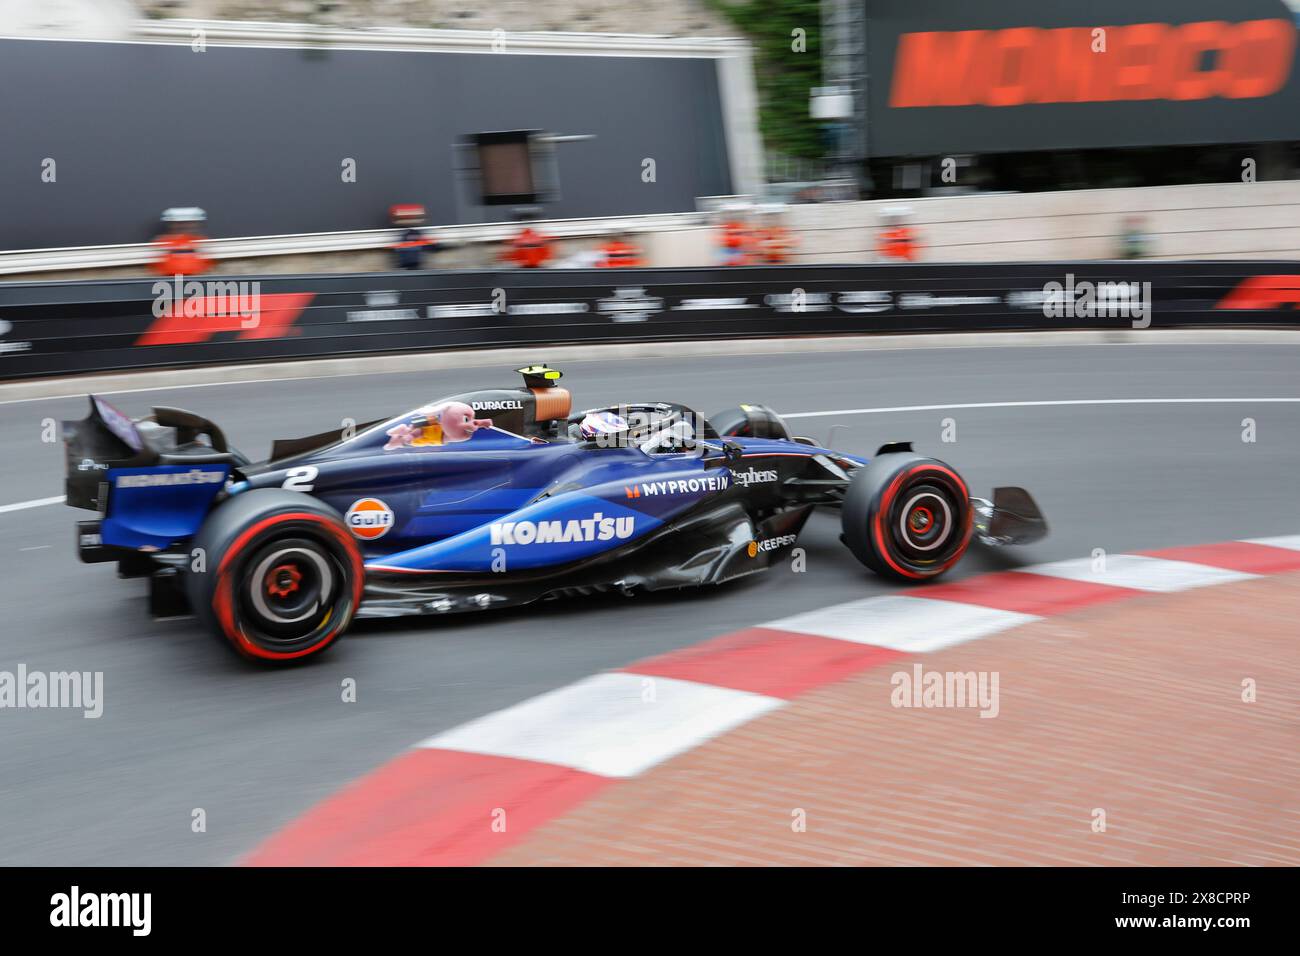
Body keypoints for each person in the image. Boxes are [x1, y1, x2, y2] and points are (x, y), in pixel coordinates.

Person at [152, 207, 212, 276]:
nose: (184, 226)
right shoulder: (163, 242)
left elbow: (208, 263)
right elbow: (155, 265)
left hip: (196, 279)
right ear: (171, 224)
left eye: (189, 223)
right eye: (179, 223)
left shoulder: (201, 241)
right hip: (168, 279)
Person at [389, 204, 437, 270]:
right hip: (407, 265)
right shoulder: (404, 234)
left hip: (414, 264)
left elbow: (428, 246)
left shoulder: (415, 233)